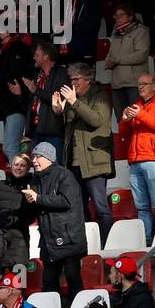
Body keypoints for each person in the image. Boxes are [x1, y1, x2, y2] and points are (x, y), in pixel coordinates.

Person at [53, 62, 113, 240]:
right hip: (74, 163)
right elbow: (66, 129)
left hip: (94, 161)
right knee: (79, 207)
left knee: (101, 207)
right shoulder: (73, 99)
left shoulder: (100, 95)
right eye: (72, 79)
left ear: (88, 79)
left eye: (77, 78)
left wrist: (74, 102)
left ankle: (106, 242)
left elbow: (97, 120)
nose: (74, 82)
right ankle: (88, 242)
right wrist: (58, 112)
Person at [27, 142, 87, 308]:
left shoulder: (64, 175)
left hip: (69, 239)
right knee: (49, 283)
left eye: (38, 156)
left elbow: (66, 201)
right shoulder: (36, 179)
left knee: (73, 280)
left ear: (49, 159)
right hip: (48, 240)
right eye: (33, 156)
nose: (34, 160)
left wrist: (38, 198)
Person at [121, 74, 155, 241]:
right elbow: (124, 133)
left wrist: (140, 115)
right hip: (136, 160)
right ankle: (146, 240)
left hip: (154, 159)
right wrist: (124, 120)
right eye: (139, 84)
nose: (141, 87)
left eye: (144, 84)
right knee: (142, 207)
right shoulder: (138, 105)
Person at [0, 25, 34, 161]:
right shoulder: (5, 49)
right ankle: (20, 177)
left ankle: (20, 175)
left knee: (10, 147)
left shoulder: (18, 47)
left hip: (16, 103)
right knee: (13, 147)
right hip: (9, 104)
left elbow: (16, 73)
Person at [104, 3, 153, 118]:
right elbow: (110, 56)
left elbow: (141, 55)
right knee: (121, 121)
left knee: (137, 119)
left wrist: (116, 59)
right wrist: (108, 62)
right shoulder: (116, 34)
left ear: (130, 17)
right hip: (117, 85)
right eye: (116, 16)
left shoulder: (141, 31)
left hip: (135, 84)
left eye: (121, 15)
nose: (117, 18)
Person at [23, 41, 69, 162]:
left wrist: (35, 90)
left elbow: (58, 99)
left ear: (46, 56)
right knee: (38, 168)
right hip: (36, 130)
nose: (34, 57)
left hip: (52, 131)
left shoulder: (61, 73)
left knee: (55, 168)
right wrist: (21, 93)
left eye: (37, 55)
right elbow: (34, 98)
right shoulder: (39, 74)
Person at [0, 154, 37, 269]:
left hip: (19, 239)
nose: (18, 168)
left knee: (19, 282)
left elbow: (30, 219)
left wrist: (29, 203)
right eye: (16, 164)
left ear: (27, 168)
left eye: (22, 165)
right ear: (11, 166)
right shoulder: (1, 185)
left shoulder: (32, 188)